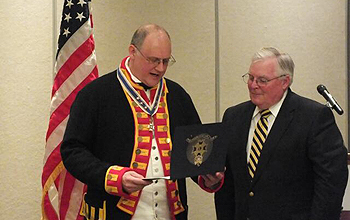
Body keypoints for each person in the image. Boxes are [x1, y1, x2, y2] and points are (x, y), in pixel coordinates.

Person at [61, 24, 223, 220]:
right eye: (154, 60)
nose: (161, 68)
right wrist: (112, 176)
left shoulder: (177, 96)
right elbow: (72, 151)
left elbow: (194, 151)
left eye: (165, 61)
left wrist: (206, 175)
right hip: (114, 212)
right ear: (132, 52)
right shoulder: (95, 94)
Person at [215, 47, 348, 220]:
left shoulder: (313, 117)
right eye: (250, 78)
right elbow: (228, 182)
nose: (253, 85)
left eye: (262, 80)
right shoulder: (234, 117)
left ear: (285, 82)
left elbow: (331, 182)